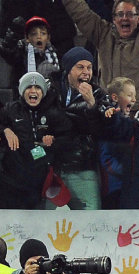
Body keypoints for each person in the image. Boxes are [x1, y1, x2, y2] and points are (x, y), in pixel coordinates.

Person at [61, 0, 139, 103]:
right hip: (107, 111)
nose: (124, 18)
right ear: (114, 19)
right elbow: (80, 13)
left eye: (130, 14)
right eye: (120, 14)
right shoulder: (102, 34)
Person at [48, 46, 112, 210]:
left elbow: (100, 132)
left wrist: (91, 105)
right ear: (68, 69)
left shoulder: (98, 95)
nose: (86, 72)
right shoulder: (50, 90)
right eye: (80, 67)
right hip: (52, 167)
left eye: (89, 67)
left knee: (89, 221)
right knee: (45, 222)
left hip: (83, 167)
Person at [0, 72, 73, 209]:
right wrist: (6, 130)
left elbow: (69, 137)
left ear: (43, 92)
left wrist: (54, 140)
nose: (33, 91)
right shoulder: (11, 109)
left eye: (38, 88)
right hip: (11, 181)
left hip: (39, 182)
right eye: (29, 87)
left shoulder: (53, 112)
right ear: (22, 91)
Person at [99, 76, 137, 209]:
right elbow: (106, 159)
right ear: (115, 98)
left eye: (135, 96)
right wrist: (128, 172)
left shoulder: (131, 123)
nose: (134, 100)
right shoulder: (109, 122)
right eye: (129, 95)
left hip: (128, 187)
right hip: (112, 187)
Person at [0, 16, 61, 97]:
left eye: (43, 33)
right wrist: (13, 33)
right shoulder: (21, 52)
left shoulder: (55, 55)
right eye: (34, 34)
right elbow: (8, 52)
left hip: (47, 100)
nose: (39, 37)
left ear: (48, 38)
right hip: (22, 99)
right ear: (28, 38)